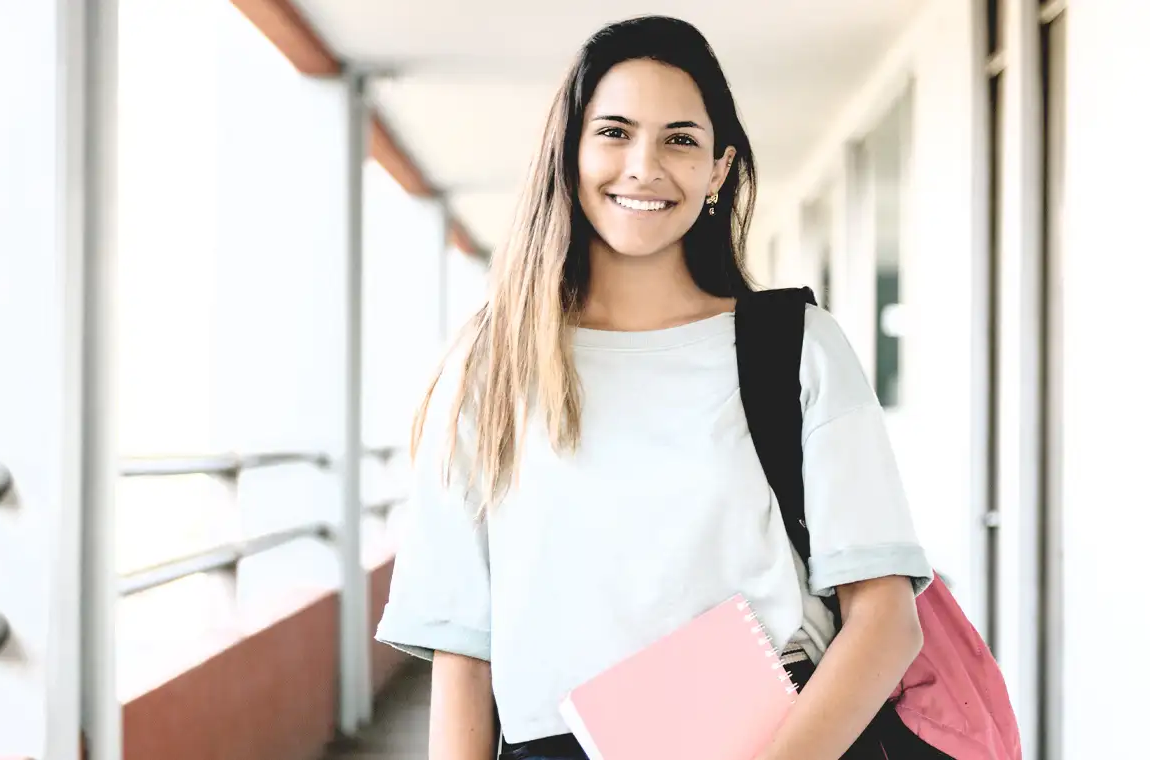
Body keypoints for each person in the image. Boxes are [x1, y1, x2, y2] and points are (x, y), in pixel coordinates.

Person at [374, 15, 936, 760]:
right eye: (613, 131)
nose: (644, 166)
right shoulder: (493, 364)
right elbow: (463, 652)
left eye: (679, 138)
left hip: (777, 738)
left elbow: (887, 621)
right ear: (569, 153)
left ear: (718, 167)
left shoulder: (797, 347)